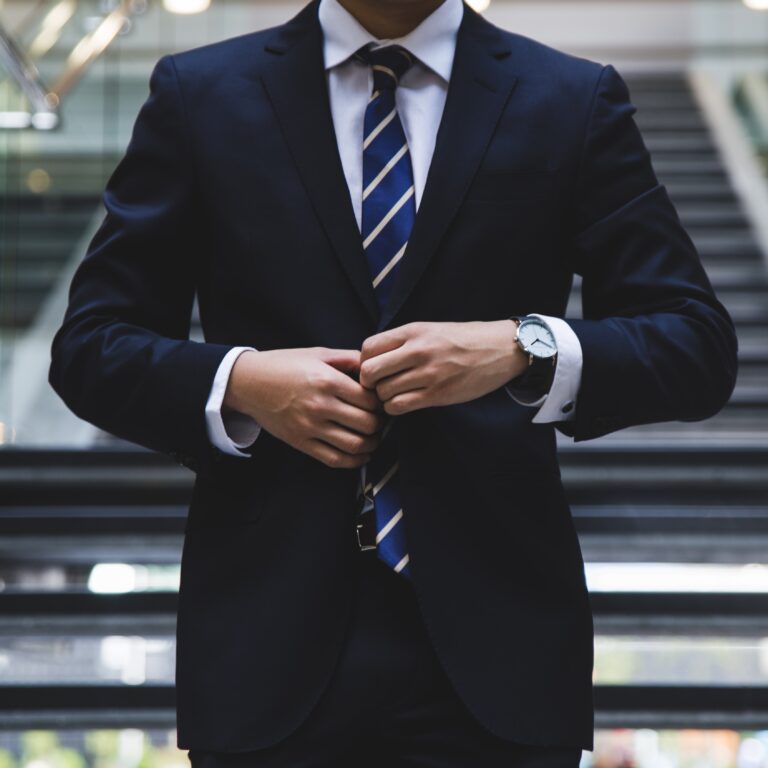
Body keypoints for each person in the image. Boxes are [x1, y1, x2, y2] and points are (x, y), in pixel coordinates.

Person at [48, 0, 738, 764]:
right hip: (265, 644)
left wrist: (523, 346)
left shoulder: (570, 97)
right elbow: (90, 346)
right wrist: (241, 380)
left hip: (499, 651)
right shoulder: (201, 93)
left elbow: (694, 343)